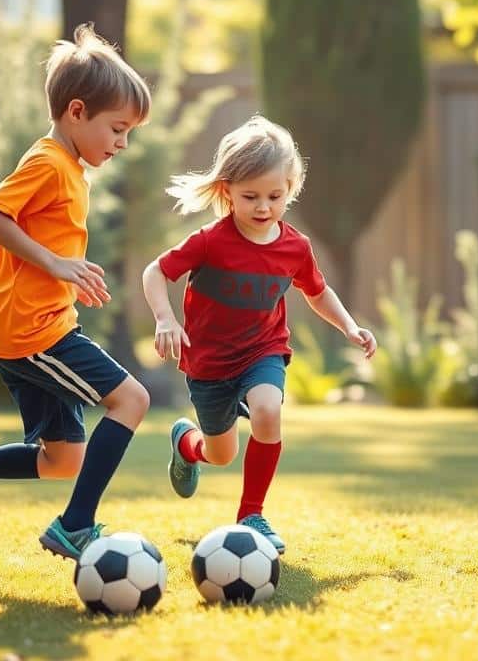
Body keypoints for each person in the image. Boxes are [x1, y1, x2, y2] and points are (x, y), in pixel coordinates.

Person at [0, 24, 152, 560]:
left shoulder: (68, 168)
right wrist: (57, 264)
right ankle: (75, 526)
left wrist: (66, 274)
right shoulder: (47, 162)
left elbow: (44, 238)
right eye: (117, 128)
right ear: (77, 112)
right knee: (132, 399)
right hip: (32, 331)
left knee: (64, 460)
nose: (122, 143)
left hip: (39, 324)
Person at [141, 115, 378, 555]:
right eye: (250, 196)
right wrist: (164, 318)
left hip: (262, 352)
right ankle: (186, 443)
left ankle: (251, 514)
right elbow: (156, 271)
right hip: (209, 365)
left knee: (268, 410)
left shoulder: (295, 247)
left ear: (291, 187)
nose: (264, 206)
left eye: (276, 195)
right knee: (221, 454)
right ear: (226, 190)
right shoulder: (210, 241)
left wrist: (349, 326)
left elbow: (317, 291)